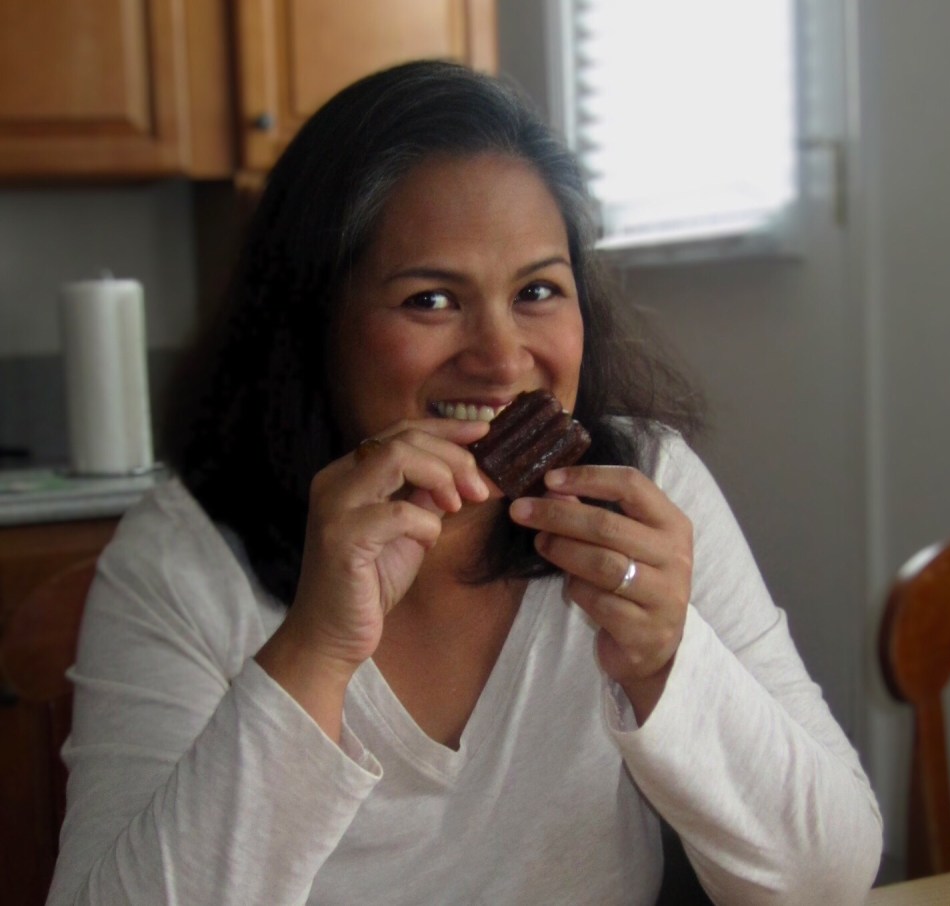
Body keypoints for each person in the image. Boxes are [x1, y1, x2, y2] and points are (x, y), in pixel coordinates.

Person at [46, 60, 882, 905]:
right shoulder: (184, 562)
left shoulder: (643, 492)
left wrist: (668, 659)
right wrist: (317, 649)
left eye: (538, 291)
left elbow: (830, 879)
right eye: (432, 301)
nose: (502, 357)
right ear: (313, 322)